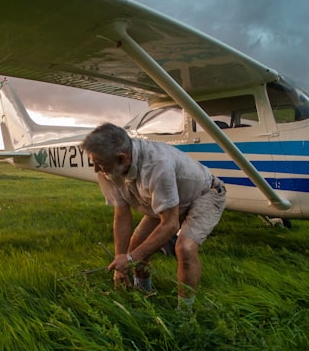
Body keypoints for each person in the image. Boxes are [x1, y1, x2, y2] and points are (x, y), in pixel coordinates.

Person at [80, 123, 226, 312]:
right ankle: (144, 294)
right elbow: (122, 216)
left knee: (184, 248)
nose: (96, 170)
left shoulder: (157, 165)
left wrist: (131, 259)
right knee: (136, 246)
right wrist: (121, 259)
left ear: (122, 159)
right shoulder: (109, 169)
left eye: (99, 164)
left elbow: (170, 224)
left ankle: (184, 315)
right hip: (166, 203)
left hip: (205, 193)